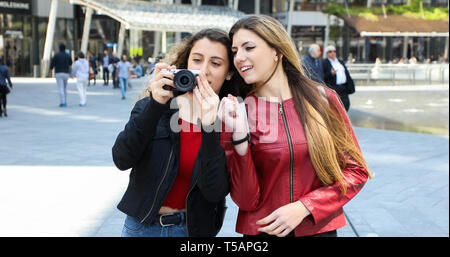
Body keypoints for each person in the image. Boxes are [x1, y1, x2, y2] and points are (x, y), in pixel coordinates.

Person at [218, 15, 373, 237]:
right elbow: (245, 199)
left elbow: (356, 171)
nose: (239, 57)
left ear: (277, 51)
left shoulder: (322, 99)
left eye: (248, 47)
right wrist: (240, 140)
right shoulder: (237, 111)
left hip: (319, 229)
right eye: (234, 51)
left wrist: (305, 207)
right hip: (262, 233)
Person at [112, 28, 238, 237]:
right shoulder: (154, 106)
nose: (203, 71)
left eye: (215, 63)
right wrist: (154, 105)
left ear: (229, 73)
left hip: (192, 230)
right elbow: (121, 159)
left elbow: (214, 191)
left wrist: (210, 126)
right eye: (197, 60)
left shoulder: (230, 118)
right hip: (142, 228)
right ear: (186, 63)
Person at [322, 45, 355, 112]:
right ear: (327, 54)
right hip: (334, 88)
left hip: (343, 87)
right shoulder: (324, 63)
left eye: (334, 51)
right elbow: (323, 77)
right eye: (330, 51)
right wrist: (331, 74)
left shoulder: (340, 62)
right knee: (335, 108)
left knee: (345, 106)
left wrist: (350, 85)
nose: (333, 53)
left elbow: (346, 74)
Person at [50, 43, 72, 107]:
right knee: (65, 88)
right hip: (66, 73)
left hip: (59, 73)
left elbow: (52, 64)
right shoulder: (68, 55)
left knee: (61, 88)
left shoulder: (56, 55)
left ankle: (63, 103)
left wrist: (51, 69)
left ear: (59, 48)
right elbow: (70, 63)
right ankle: (65, 101)